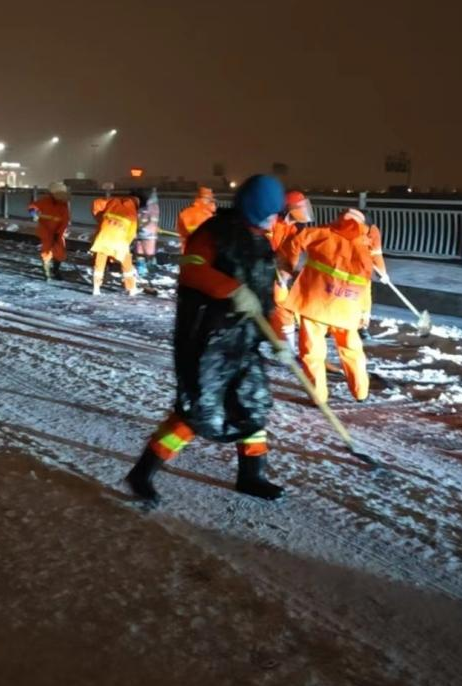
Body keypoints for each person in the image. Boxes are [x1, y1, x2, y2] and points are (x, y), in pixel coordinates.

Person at [126, 175, 288, 503]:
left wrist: (278, 337)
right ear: (255, 209)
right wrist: (232, 290)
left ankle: (252, 475)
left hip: (244, 341)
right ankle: (143, 472)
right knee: (198, 410)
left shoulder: (261, 243)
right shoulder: (214, 233)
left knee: (251, 404)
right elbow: (192, 270)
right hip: (208, 342)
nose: (274, 219)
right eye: (270, 212)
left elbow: (267, 299)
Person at [277, 208, 374, 404]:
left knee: (312, 353)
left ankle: (319, 397)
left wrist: (287, 268)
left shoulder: (323, 233)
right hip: (347, 306)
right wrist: (365, 310)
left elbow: (295, 242)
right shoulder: (365, 244)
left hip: (315, 303)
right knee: (352, 350)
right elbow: (366, 281)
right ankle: (361, 392)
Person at [268, 190, 315, 342]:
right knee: (280, 300)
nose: (304, 210)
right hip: (263, 265)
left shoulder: (293, 228)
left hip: (275, 266)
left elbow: (290, 251)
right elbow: (265, 247)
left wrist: (287, 270)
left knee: (285, 300)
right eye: (300, 207)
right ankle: (284, 340)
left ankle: (285, 336)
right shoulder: (272, 222)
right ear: (289, 209)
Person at [90, 191, 139, 296]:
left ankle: (96, 288)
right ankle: (131, 288)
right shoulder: (132, 213)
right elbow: (131, 234)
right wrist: (127, 244)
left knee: (99, 265)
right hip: (119, 241)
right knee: (127, 265)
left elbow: (97, 207)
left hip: (103, 239)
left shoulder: (111, 205)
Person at [27, 181, 71, 280]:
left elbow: (65, 219)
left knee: (59, 252)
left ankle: (56, 270)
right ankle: (47, 273)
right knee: (46, 251)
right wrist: (34, 214)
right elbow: (32, 207)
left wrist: (59, 232)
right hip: (46, 231)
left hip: (58, 232)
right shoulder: (44, 202)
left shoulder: (63, 205)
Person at [176, 186, 217, 252]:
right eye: (210, 200)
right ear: (204, 199)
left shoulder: (187, 213)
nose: (212, 203)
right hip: (200, 251)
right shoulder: (201, 214)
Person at [134, 188, 160, 279]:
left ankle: (151, 271)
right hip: (141, 233)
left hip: (148, 235)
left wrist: (141, 227)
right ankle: (142, 271)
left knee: (149, 254)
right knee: (140, 253)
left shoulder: (152, 207)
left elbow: (151, 220)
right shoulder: (141, 207)